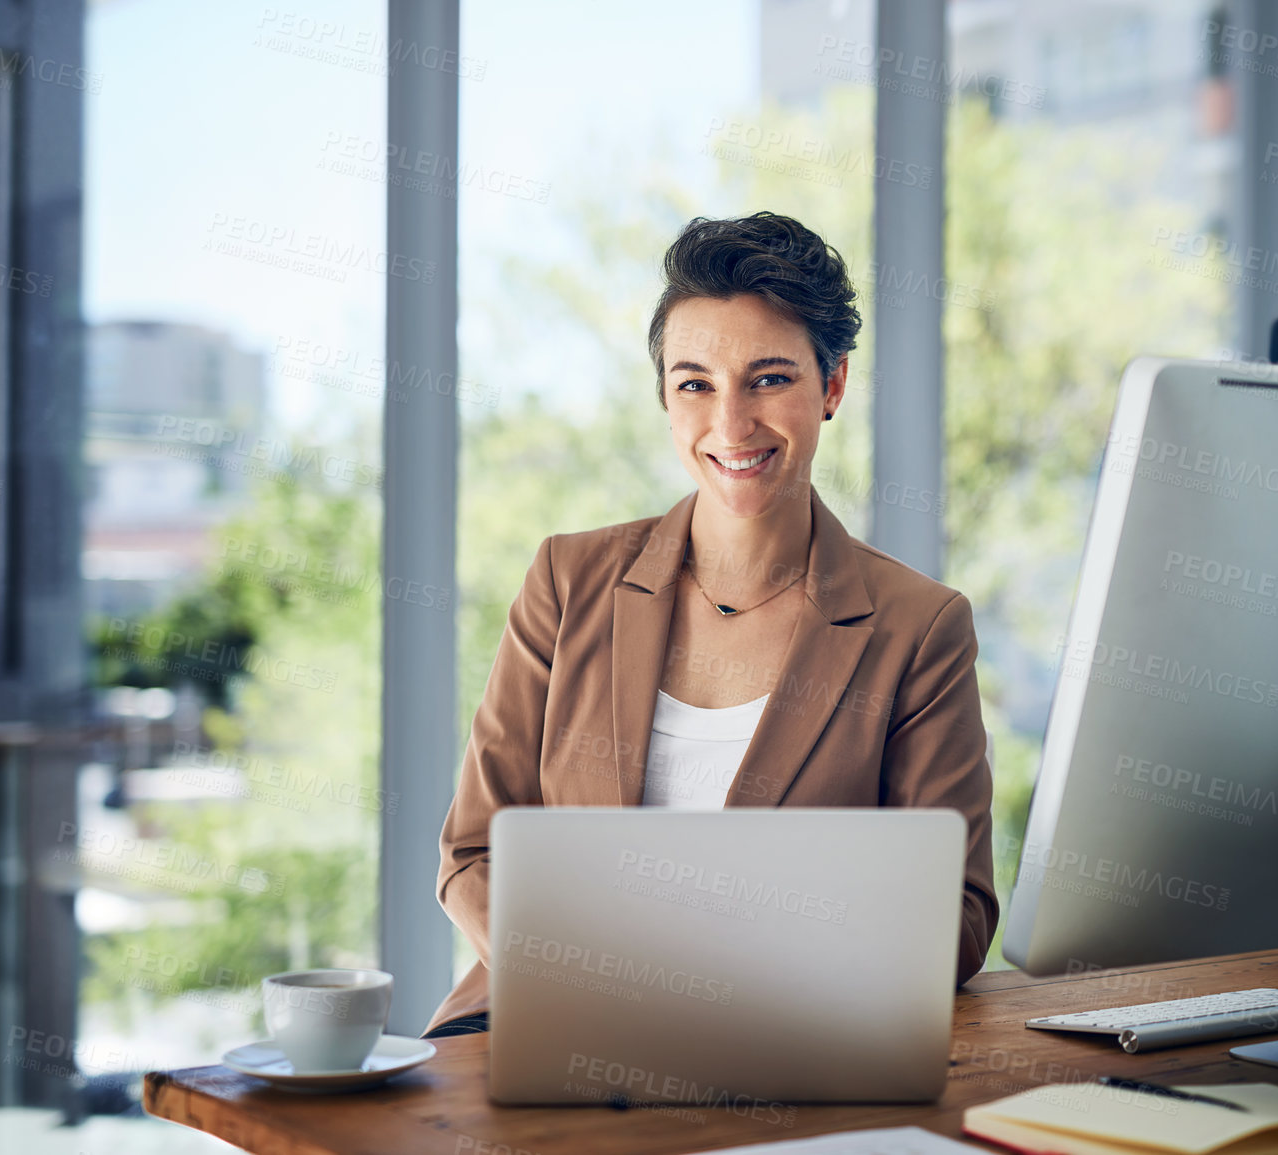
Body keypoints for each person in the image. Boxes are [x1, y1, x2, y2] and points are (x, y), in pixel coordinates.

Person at [423, 211, 997, 1037]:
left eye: (768, 379)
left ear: (831, 386)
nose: (730, 425)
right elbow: (475, 852)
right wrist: (594, 984)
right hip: (547, 1022)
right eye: (695, 383)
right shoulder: (567, 581)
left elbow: (958, 916)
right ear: (665, 397)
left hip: (784, 1039)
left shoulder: (917, 627)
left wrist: (725, 993)